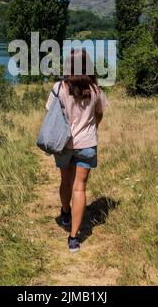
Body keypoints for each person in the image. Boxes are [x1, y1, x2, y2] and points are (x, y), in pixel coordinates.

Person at [46, 49, 108, 253]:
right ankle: (74, 239)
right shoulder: (96, 89)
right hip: (87, 144)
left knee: (65, 180)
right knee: (79, 187)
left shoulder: (58, 88)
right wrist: (89, 129)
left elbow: (50, 112)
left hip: (64, 144)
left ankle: (65, 213)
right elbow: (99, 116)